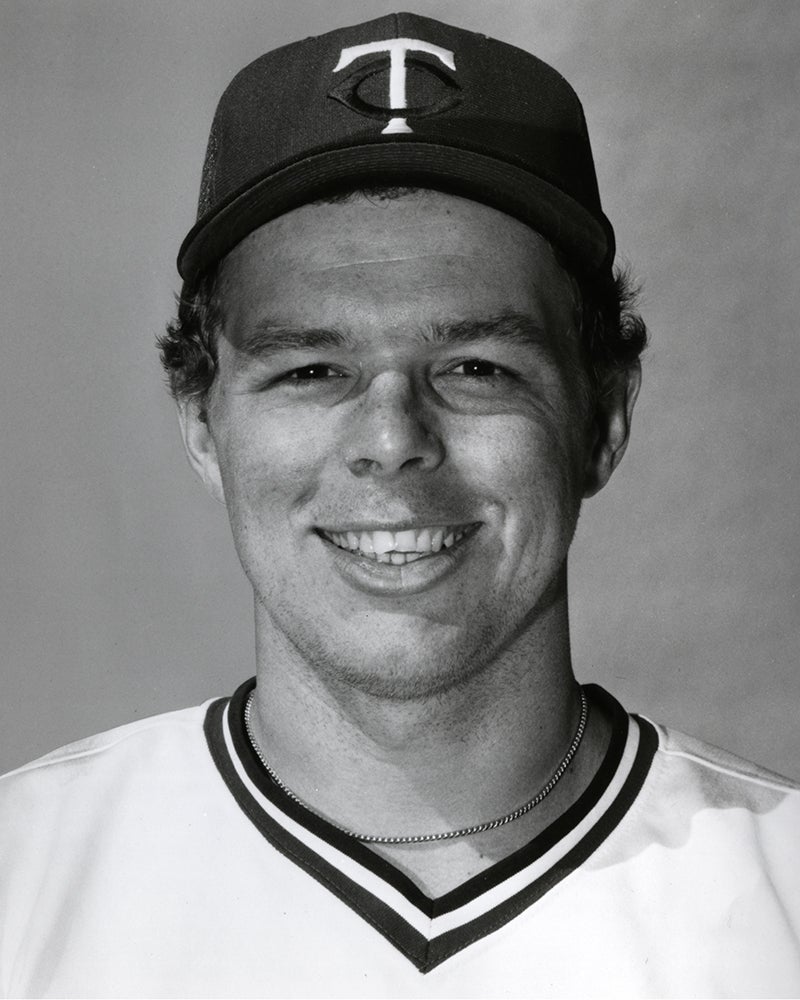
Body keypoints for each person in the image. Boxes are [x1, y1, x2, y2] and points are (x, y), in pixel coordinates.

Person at [1, 12, 797, 998]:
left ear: (602, 416)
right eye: (311, 369)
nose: (391, 439)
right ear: (202, 422)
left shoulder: (781, 905)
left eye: (474, 366)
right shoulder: (23, 883)